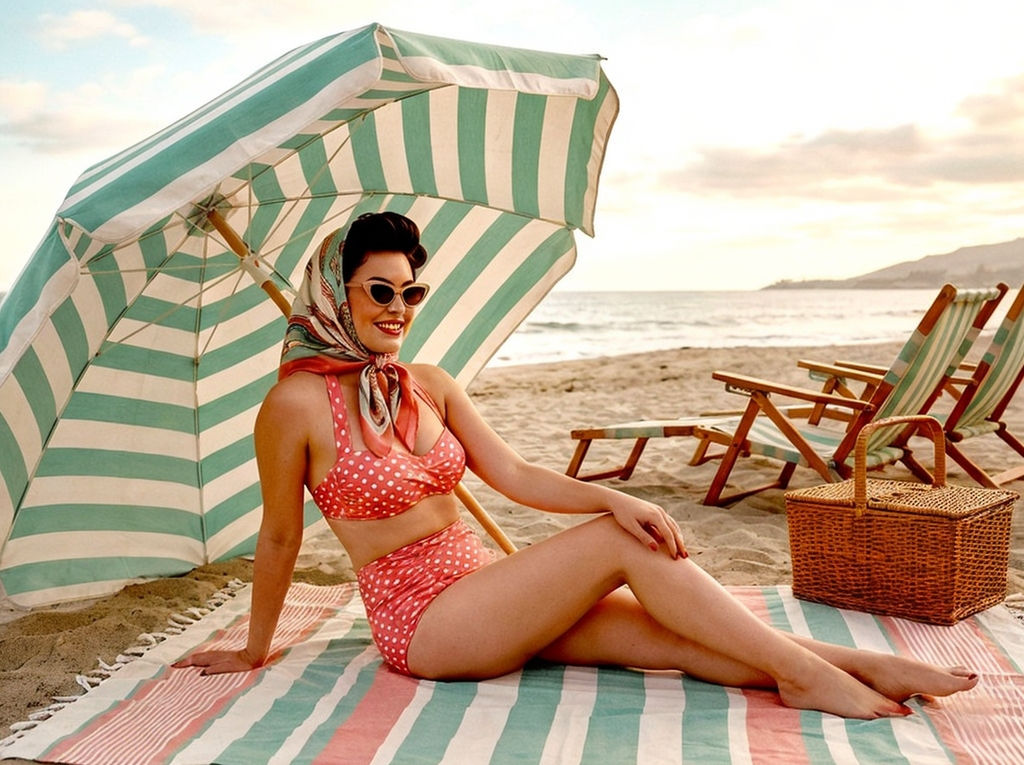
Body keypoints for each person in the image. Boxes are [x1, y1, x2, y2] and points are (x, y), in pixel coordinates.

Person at [175, 212, 979, 718]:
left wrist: (608, 495)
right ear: (334, 294)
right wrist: (253, 648)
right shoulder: (293, 407)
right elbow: (279, 536)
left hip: (486, 588)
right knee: (620, 540)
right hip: (424, 625)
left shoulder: (428, 383)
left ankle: (855, 665)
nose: (398, 309)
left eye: (411, 293)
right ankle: (811, 677)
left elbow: (518, 475)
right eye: (379, 291)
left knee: (673, 635)